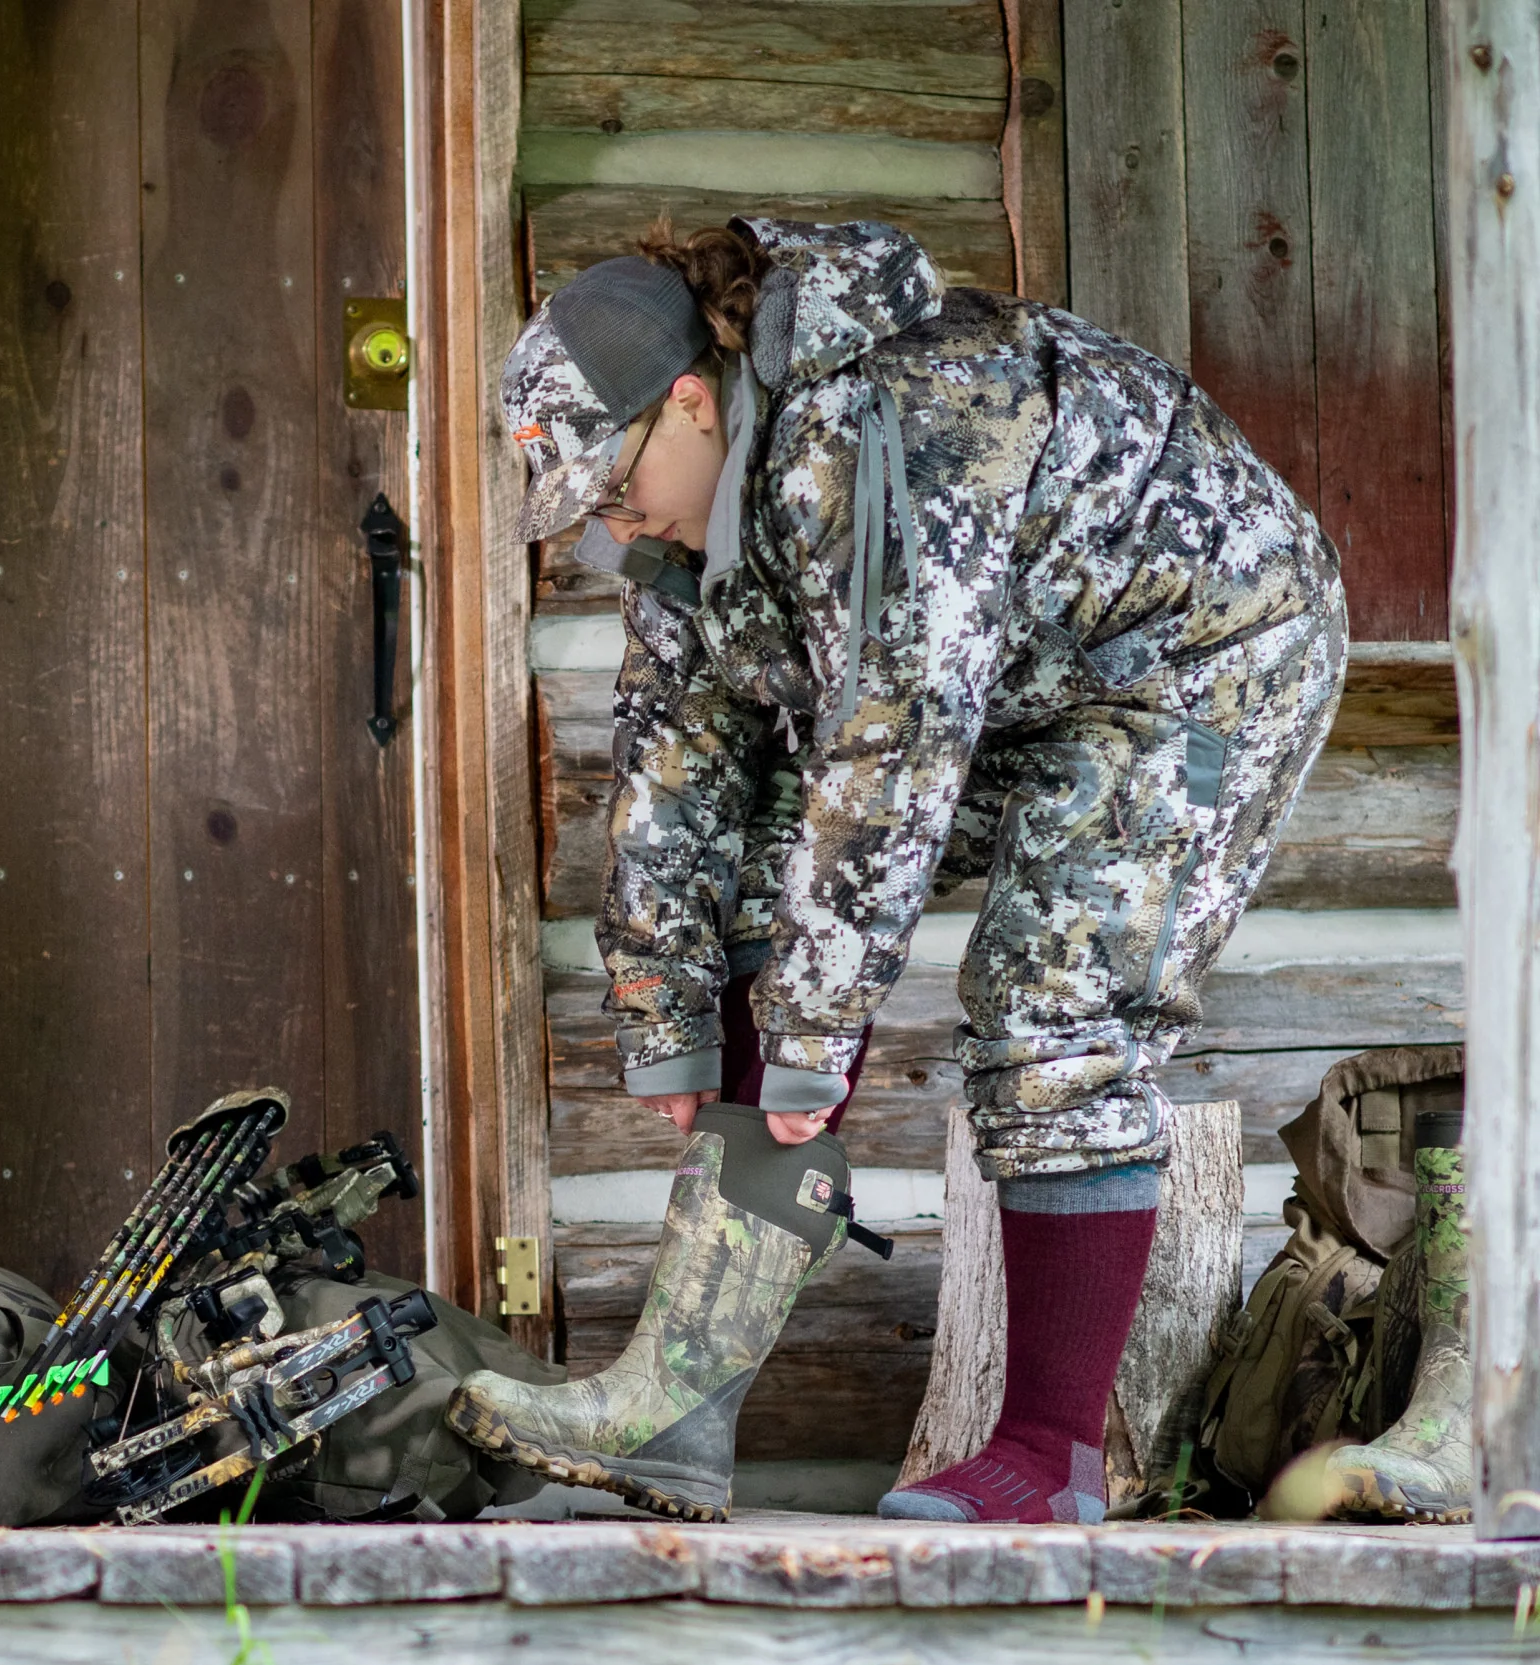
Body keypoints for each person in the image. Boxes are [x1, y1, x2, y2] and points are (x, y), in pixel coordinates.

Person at [444, 217, 1347, 1524]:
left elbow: (892, 747)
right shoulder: (690, 532)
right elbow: (677, 764)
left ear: (689, 404)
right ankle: (673, 1418)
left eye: (616, 491)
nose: (611, 529)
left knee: (1051, 1003)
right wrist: (672, 1023)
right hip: (1020, 685)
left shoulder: (890, 438)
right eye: (585, 517)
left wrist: (807, 1048)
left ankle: (1051, 1462)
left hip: (1197, 661)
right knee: (770, 882)